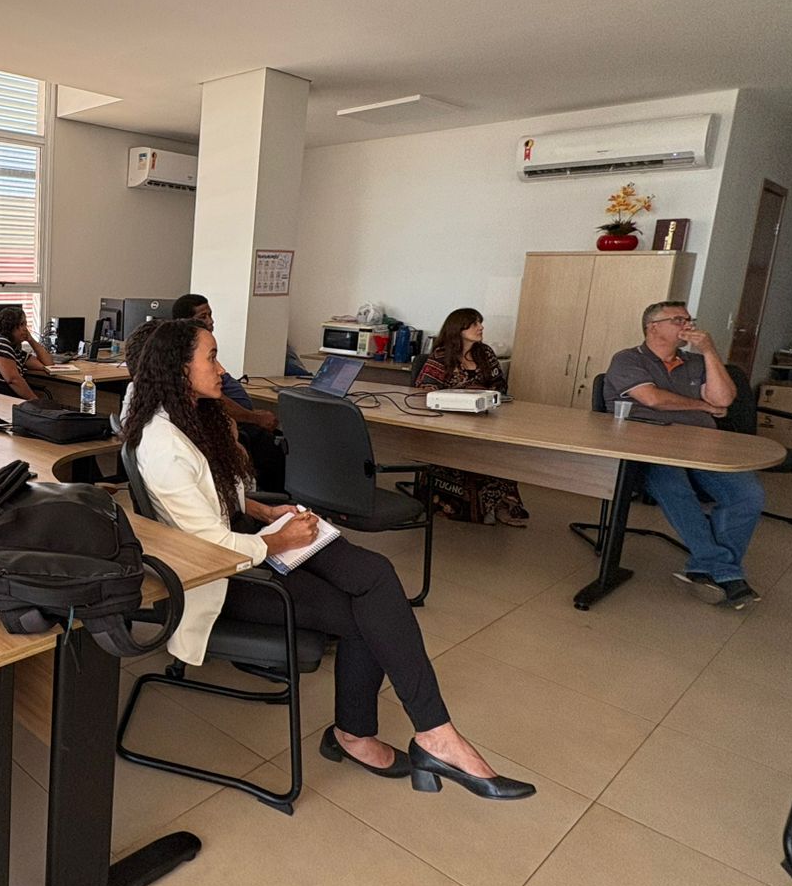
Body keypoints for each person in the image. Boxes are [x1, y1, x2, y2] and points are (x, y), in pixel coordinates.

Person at [120, 319, 534, 801]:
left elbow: (213, 497)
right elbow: (208, 547)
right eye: (211, 357)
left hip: (248, 540)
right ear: (177, 368)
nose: (222, 367)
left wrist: (263, 510)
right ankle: (372, 735)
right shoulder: (163, 443)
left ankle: (433, 734)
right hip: (225, 578)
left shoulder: (189, 419)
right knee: (366, 615)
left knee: (377, 575)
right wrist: (278, 540)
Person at [604, 300, 765, 608]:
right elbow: (652, 399)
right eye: (679, 320)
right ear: (653, 327)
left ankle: (705, 569)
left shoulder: (694, 362)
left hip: (701, 445)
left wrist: (708, 352)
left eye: (689, 320)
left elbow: (724, 398)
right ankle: (726, 572)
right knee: (674, 486)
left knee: (749, 494)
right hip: (649, 447)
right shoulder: (627, 359)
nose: (688, 326)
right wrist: (703, 406)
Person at [412, 308, 528, 526]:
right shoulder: (441, 356)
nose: (480, 327)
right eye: (474, 324)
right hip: (448, 422)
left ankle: (500, 505)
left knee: (502, 451)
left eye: (480, 323)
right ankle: (464, 507)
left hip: (483, 419)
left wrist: (486, 398)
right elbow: (423, 390)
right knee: (469, 450)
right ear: (459, 328)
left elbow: (500, 387)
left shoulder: (485, 353)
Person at [169, 294, 285, 491]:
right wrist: (253, 418)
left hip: (237, 424)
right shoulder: (190, 357)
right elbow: (218, 401)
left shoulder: (201, 353)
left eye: (210, 315)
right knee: (269, 444)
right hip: (242, 427)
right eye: (203, 316)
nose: (211, 321)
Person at [0, 306, 52, 400]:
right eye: (21, 324)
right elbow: (13, 380)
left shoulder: (15, 350)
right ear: (9, 326)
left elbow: (48, 364)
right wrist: (35, 401)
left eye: (25, 325)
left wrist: (31, 340)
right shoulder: (0, 342)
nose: (25, 329)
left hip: (5, 393)